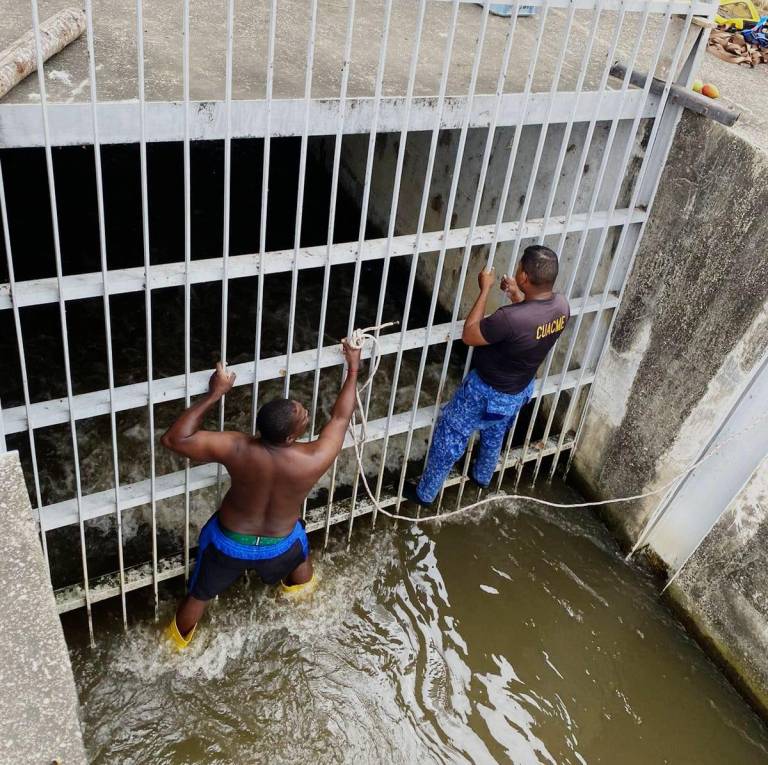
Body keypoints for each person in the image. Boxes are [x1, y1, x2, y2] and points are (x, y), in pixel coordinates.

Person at [161, 340, 362, 649]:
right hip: (279, 545)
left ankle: (174, 647)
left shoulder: (238, 447)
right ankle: (302, 610)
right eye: (302, 414)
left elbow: (174, 439)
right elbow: (339, 419)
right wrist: (353, 367)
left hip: (228, 544)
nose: (306, 411)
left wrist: (215, 393)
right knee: (302, 561)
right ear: (292, 436)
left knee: (198, 595)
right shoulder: (313, 458)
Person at [403, 245, 570, 506]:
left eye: (519, 268)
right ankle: (482, 476)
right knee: (495, 431)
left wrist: (485, 289)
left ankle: (425, 493)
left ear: (524, 276)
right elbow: (534, 321)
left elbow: (470, 334)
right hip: (519, 391)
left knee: (451, 433)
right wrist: (518, 294)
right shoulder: (562, 306)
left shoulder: (508, 318)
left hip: (485, 391)